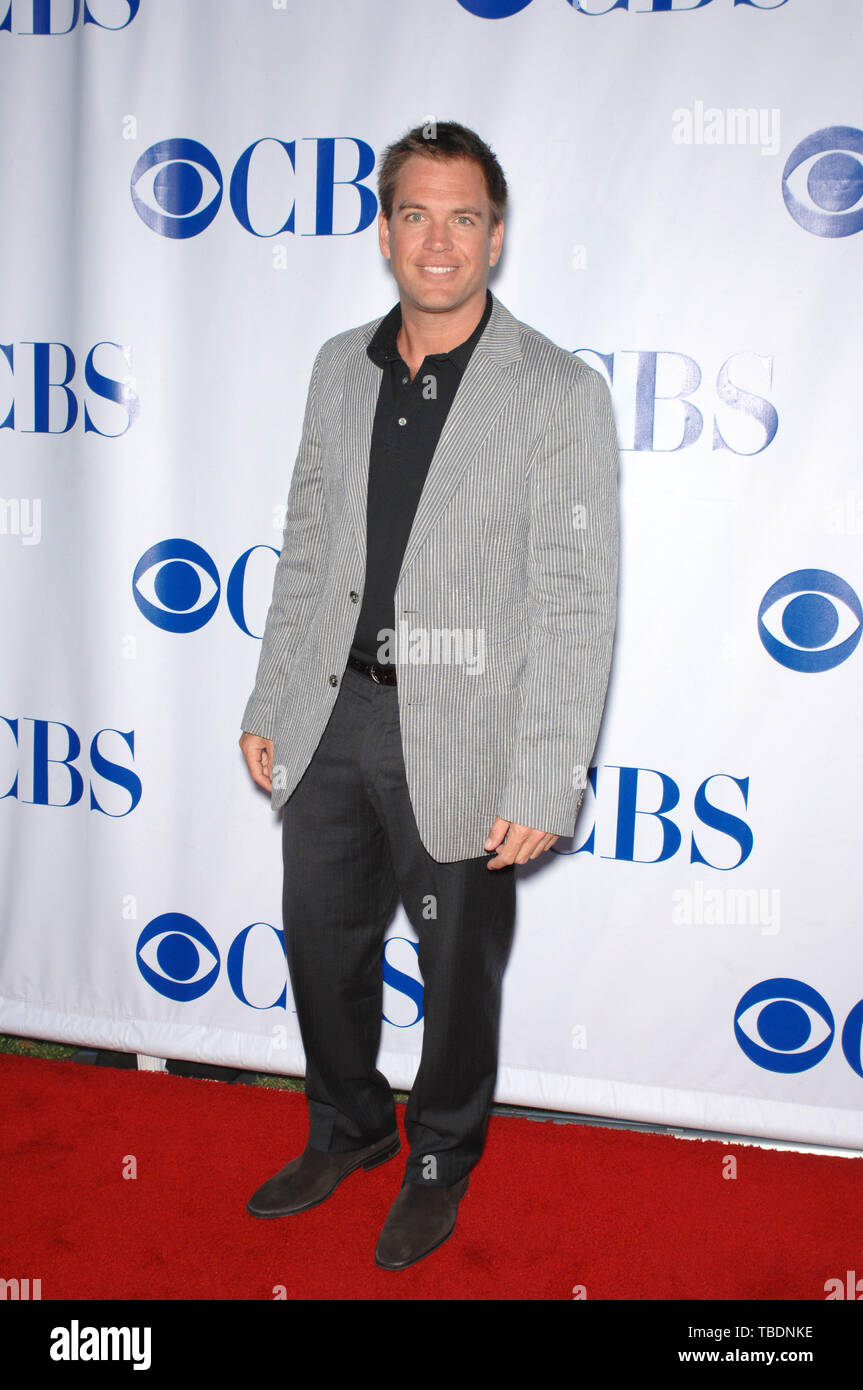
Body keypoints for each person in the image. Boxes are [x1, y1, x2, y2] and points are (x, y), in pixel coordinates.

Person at [239, 121, 620, 1270]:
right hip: (334, 712)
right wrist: (269, 697)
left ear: (495, 237)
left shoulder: (557, 391)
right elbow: (306, 546)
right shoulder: (335, 365)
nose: (438, 239)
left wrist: (545, 769)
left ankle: (439, 1158)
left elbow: (574, 595)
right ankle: (349, 1127)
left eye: (463, 217)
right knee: (322, 945)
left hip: (468, 732)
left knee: (456, 974)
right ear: (383, 231)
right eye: (416, 214)